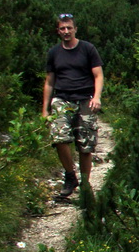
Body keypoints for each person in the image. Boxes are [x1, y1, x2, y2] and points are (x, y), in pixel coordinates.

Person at [41, 13, 104, 197]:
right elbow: (49, 82)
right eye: (62, 28)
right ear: (58, 31)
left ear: (75, 29)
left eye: (69, 28)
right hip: (62, 99)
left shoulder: (87, 49)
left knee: (85, 145)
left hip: (85, 98)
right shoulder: (54, 53)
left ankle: (85, 183)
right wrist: (45, 109)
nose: (66, 31)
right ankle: (70, 176)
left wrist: (97, 97)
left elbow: (98, 75)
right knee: (59, 138)